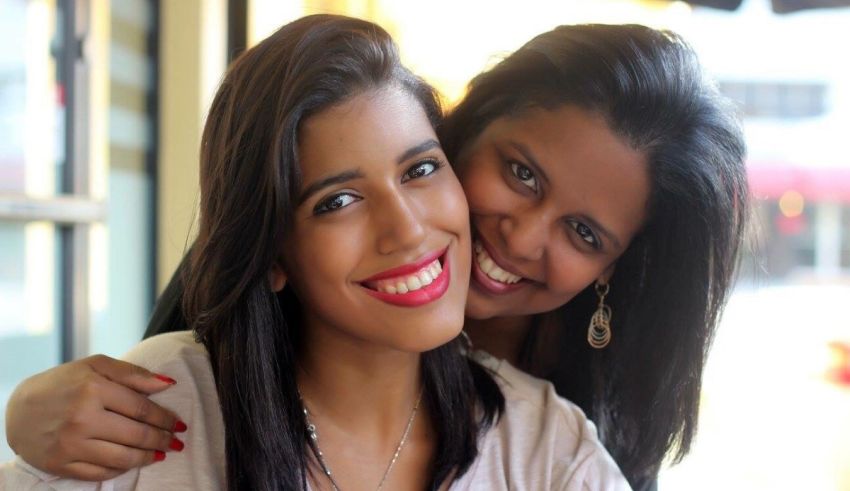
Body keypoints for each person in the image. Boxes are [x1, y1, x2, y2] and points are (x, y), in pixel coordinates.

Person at [4, 21, 748, 491]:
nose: (522, 237)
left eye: (585, 234)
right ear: (463, 130)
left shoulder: (558, 436)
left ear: (613, 268)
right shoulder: (182, 396)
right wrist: (27, 419)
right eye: (521, 173)